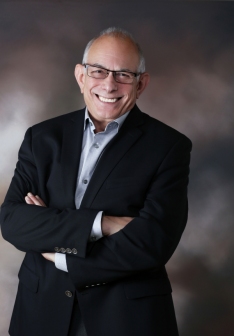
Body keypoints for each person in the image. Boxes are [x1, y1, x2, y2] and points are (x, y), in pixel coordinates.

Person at [0, 27, 192, 336]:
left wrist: (61, 255)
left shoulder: (169, 147)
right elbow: (13, 222)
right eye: (98, 71)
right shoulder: (42, 137)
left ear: (141, 83)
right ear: (81, 76)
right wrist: (104, 224)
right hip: (40, 315)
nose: (109, 84)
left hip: (125, 319)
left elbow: (152, 243)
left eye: (123, 75)